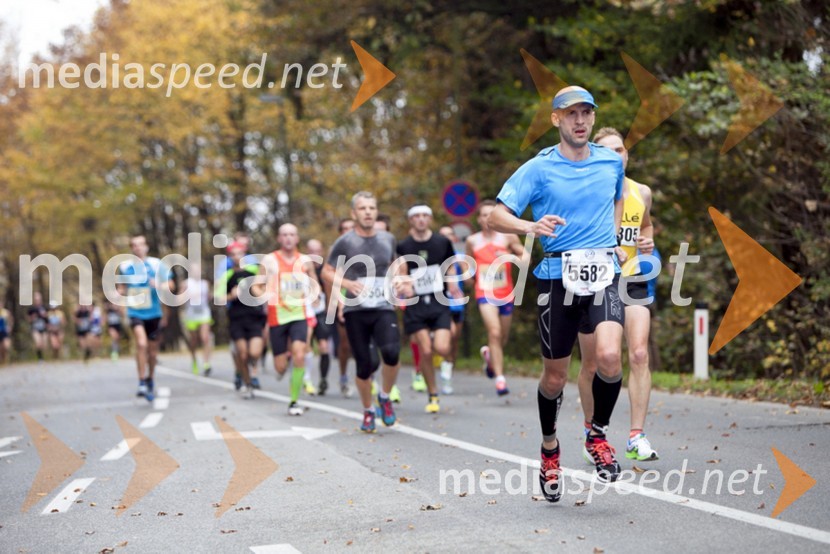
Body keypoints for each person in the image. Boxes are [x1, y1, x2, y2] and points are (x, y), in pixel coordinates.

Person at [488, 86, 627, 501]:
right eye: (571, 114)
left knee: (608, 357)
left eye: (587, 113)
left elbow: (617, 199)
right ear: (556, 120)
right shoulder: (538, 168)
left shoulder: (610, 162)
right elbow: (497, 215)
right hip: (556, 276)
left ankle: (597, 435)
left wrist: (613, 236)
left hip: (604, 271)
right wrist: (530, 228)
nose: (580, 121)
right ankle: (550, 447)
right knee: (555, 377)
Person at [577, 127, 658, 462]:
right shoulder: (587, 192)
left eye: (620, 150)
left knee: (638, 354)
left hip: (634, 278)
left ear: (627, 155)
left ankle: (636, 436)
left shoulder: (642, 191)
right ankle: (591, 432)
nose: (616, 155)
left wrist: (647, 241)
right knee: (594, 362)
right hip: (596, 280)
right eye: (608, 150)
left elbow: (646, 226)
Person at [322, 191, 406, 433]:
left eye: (372, 207)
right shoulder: (345, 242)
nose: (368, 212)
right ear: (353, 213)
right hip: (355, 309)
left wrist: (400, 280)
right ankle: (368, 410)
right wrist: (347, 284)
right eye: (363, 208)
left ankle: (385, 397)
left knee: (391, 352)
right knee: (364, 365)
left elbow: (396, 264)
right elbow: (327, 271)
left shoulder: (387, 238)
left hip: (382, 305)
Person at [397, 205, 461, 413]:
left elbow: (450, 264)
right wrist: (404, 284)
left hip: (438, 301)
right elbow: (401, 270)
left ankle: (436, 350)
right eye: (416, 216)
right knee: (424, 350)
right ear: (411, 221)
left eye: (425, 216)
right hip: (415, 304)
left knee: (442, 348)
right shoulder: (404, 246)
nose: (421, 220)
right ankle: (433, 394)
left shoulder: (442, 242)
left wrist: (452, 281)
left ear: (430, 219)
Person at [466, 199, 527, 396]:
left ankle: (490, 356)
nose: (487, 218)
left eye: (491, 214)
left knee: (503, 337)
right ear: (479, 219)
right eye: (483, 215)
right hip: (484, 292)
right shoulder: (472, 241)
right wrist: (467, 275)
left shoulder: (507, 237)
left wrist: (517, 259)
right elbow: (469, 266)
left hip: (505, 292)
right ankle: (500, 379)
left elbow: (524, 255)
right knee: (494, 332)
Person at [264, 224, 320, 415]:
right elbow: (257, 285)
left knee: (300, 353)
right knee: (280, 368)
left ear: (297, 238)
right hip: (277, 316)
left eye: (292, 235)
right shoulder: (270, 260)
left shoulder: (305, 260)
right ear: (279, 238)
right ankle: (284, 360)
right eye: (284, 234)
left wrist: (315, 293)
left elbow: (313, 280)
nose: (288, 238)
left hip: (299, 315)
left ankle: (294, 401)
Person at [117, 235, 173, 402]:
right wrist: (119, 300)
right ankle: (141, 381)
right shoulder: (125, 267)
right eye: (134, 245)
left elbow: (170, 285)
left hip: (154, 313)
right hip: (135, 312)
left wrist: (159, 285)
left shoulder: (157, 264)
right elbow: (122, 287)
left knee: (152, 352)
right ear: (132, 248)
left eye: (141, 245)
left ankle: (150, 379)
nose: (138, 248)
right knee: (141, 344)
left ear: (146, 247)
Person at [216, 241, 266, 399]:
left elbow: (265, 289)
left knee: (254, 352)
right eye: (233, 254)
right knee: (242, 354)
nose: (237, 257)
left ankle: (252, 370)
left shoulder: (254, 271)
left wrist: (256, 291)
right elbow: (218, 298)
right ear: (230, 257)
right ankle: (247, 382)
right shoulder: (227, 275)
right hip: (237, 318)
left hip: (254, 316)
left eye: (240, 253)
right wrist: (231, 295)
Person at [438, 225, 467, 394]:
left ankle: (447, 367)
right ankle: (445, 373)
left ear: (454, 239)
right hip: (441, 303)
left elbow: (470, 279)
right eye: (443, 235)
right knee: (449, 335)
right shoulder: (435, 255)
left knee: (455, 339)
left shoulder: (461, 258)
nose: (447, 238)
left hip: (458, 303)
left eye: (450, 235)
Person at [307, 238, 334, 395]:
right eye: (312, 252)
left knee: (324, 347)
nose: (315, 255)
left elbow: (330, 293)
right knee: (305, 347)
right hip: (304, 312)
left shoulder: (326, 270)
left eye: (318, 251)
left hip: (321, 312)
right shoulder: (302, 269)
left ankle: (323, 379)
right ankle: (307, 379)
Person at [181, 262, 213, 376]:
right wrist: (187, 296)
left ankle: (206, 363)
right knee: (193, 340)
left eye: (198, 270)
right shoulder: (186, 284)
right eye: (194, 270)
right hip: (191, 315)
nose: (196, 272)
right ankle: (194, 359)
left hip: (204, 313)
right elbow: (179, 299)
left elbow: (209, 297)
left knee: (205, 338)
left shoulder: (205, 283)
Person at [27, 292, 48, 362]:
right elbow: (28, 320)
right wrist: (32, 317)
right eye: (36, 299)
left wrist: (45, 316)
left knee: (44, 345)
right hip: (35, 328)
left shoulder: (44, 307)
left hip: (43, 328)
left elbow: (48, 318)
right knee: (38, 343)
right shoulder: (31, 309)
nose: (37, 301)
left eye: (39, 299)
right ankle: (40, 358)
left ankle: (44, 357)